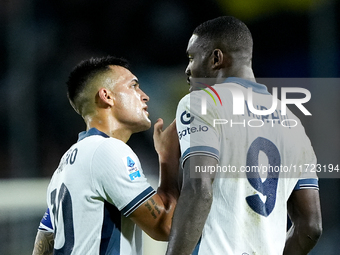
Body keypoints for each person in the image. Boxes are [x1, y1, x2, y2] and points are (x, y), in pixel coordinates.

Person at [166, 16, 322, 255]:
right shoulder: (294, 123)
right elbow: (311, 226)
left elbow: (199, 189)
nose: (188, 69)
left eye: (191, 58)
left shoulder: (202, 103)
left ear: (216, 58)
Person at [32, 56, 180, 255]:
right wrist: (167, 158)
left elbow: (42, 248)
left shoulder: (65, 164)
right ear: (107, 96)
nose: (145, 96)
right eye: (134, 86)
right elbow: (166, 227)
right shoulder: (108, 150)